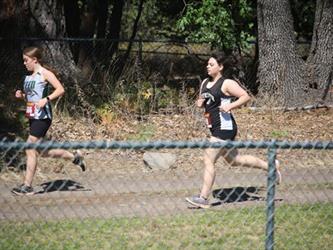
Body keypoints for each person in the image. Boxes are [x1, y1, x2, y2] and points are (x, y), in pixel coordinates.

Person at [185, 52, 281, 208]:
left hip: (224, 128)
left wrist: (230, 106)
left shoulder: (226, 83)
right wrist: (200, 103)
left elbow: (245, 96)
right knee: (235, 161)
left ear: (220, 67)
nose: (208, 67)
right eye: (207, 64)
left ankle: (203, 198)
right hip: (214, 127)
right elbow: (205, 100)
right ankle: (271, 166)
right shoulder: (204, 83)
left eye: (211, 64)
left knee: (208, 159)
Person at [11, 46, 86, 196]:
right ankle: (74, 157)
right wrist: (22, 96)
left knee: (29, 147)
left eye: (26, 60)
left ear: (34, 60)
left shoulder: (45, 74)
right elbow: (31, 97)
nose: (24, 63)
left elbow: (60, 89)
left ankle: (27, 186)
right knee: (41, 151)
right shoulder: (29, 77)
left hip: (43, 117)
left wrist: (47, 99)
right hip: (33, 116)